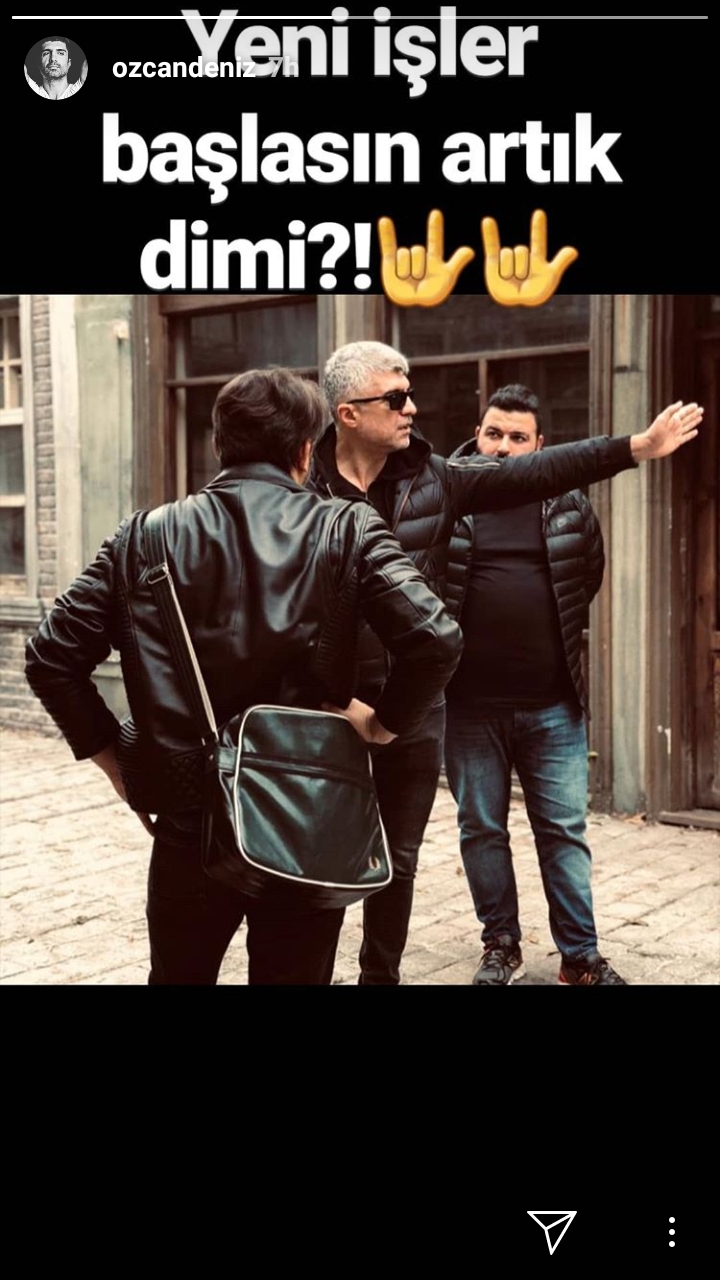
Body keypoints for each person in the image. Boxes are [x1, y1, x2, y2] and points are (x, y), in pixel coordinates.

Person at [25, 368, 464, 985]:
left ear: (219, 445)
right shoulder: (348, 526)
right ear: (305, 450)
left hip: (190, 812)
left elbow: (50, 656)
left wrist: (114, 762)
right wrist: (383, 726)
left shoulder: (143, 536)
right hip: (305, 811)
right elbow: (436, 639)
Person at [309, 340, 702, 985]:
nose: (412, 409)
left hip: (415, 706)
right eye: (396, 397)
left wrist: (636, 446)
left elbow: (543, 478)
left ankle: (382, 977)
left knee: (399, 860)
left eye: (411, 395)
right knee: (322, 857)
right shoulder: (303, 486)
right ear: (348, 412)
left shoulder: (438, 480)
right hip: (332, 704)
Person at [445, 384, 625, 985]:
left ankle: (580, 957)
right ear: (477, 435)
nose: (503, 448)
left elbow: (586, 576)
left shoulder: (569, 504)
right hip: (468, 705)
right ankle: (501, 946)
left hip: (553, 704)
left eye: (518, 438)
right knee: (481, 830)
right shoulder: (449, 499)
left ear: (539, 445)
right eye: (493, 434)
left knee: (564, 834)